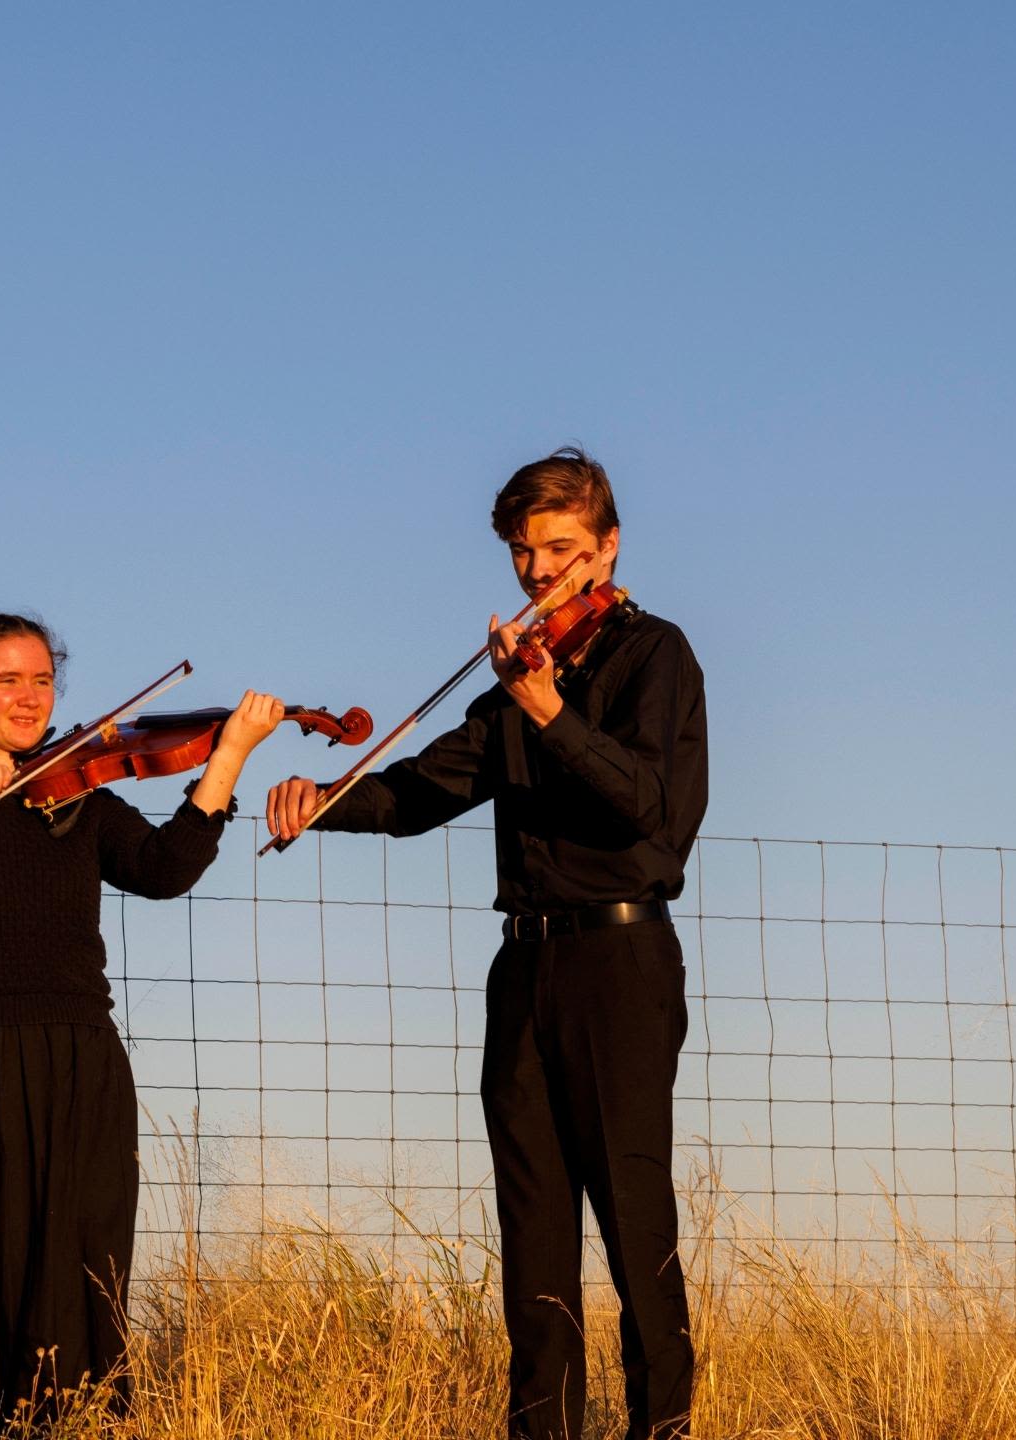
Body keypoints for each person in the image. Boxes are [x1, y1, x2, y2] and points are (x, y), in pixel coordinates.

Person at [266, 448, 707, 1440]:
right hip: (524, 966)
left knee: (633, 1220)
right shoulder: (512, 682)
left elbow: (657, 813)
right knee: (533, 1229)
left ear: (606, 546)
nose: (539, 570)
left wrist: (551, 710)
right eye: (522, 552)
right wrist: (321, 803)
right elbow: (422, 790)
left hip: (620, 962)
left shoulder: (654, 657)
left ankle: (662, 1429)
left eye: (559, 548)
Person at [0, 614, 286, 1436]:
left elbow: (165, 869)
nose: (30, 697)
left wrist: (229, 758)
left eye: (41, 680)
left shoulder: (84, 802)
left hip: (77, 1064)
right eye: (7, 679)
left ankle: (59, 1425)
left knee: (74, 1265)